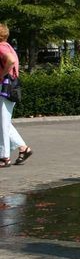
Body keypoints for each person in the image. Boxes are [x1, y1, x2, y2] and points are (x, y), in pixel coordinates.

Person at [0, 24, 32, 167]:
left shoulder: (1, 47)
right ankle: (23, 148)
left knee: (2, 123)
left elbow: (11, 61)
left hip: (4, 88)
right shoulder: (8, 46)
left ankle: (4, 157)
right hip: (11, 87)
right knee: (3, 122)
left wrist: (1, 74)